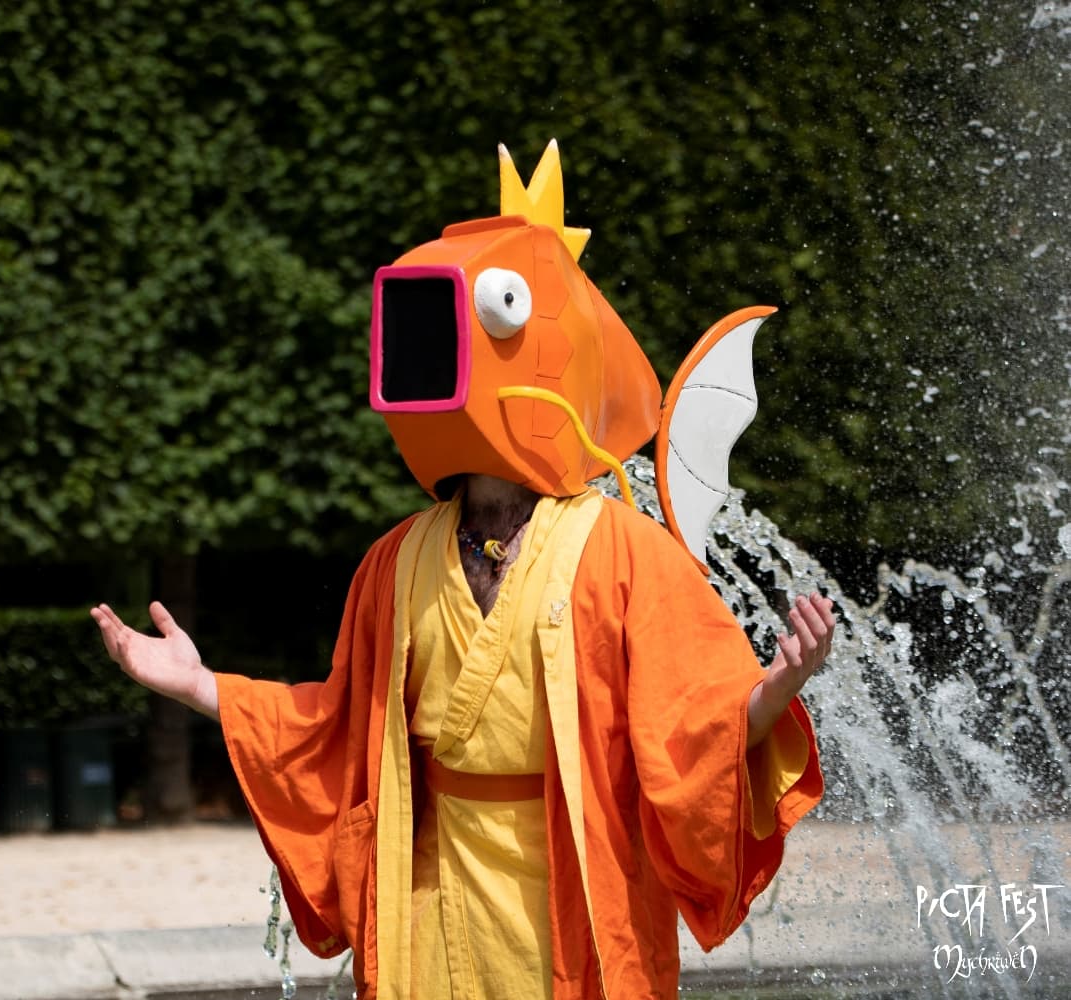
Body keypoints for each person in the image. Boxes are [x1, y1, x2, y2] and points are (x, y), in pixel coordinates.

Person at [91, 141, 835, 999]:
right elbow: (335, 730)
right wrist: (201, 686)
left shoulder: (623, 550)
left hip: (572, 882)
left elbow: (691, 730)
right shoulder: (394, 560)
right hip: (429, 889)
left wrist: (775, 689)